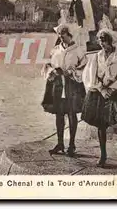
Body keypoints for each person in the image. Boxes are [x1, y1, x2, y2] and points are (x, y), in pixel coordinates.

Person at [81, 29, 117, 168]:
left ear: (110, 41)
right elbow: (90, 75)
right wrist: (101, 88)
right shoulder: (96, 56)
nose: (102, 45)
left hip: (115, 90)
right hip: (100, 91)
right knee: (101, 124)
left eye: (104, 41)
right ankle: (103, 155)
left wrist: (112, 89)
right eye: (100, 41)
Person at [41, 24, 87, 157]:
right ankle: (60, 143)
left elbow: (83, 67)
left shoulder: (78, 50)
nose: (61, 37)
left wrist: (70, 72)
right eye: (59, 35)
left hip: (72, 85)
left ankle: (71, 145)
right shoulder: (56, 49)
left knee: (72, 113)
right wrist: (52, 71)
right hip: (58, 84)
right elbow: (49, 64)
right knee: (59, 113)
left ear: (70, 35)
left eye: (63, 35)